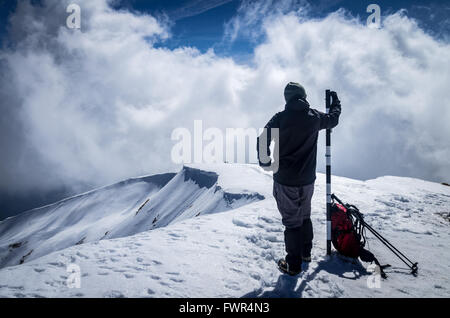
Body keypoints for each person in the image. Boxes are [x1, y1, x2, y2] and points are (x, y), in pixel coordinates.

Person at [257, 82, 341, 276]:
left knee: (292, 222)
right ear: (303, 96)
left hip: (285, 180)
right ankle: (305, 254)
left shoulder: (280, 118)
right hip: (307, 179)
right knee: (304, 216)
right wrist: (336, 103)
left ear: (287, 98)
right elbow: (333, 119)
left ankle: (293, 265)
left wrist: (265, 162)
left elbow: (263, 139)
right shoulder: (314, 116)